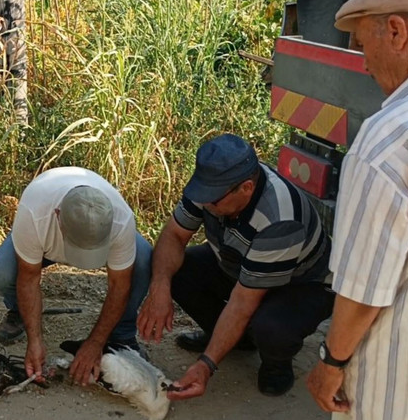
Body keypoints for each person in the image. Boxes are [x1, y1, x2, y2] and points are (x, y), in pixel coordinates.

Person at [137, 133, 334, 399]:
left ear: (247, 188)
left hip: (300, 284)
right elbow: (173, 236)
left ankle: (276, 363)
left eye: (213, 200)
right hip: (242, 263)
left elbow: (242, 303)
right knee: (175, 272)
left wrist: (206, 365)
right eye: (202, 195)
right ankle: (236, 342)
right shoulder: (213, 186)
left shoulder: (279, 218)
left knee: (271, 327)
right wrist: (160, 286)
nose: (206, 203)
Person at [306, 0, 408, 420]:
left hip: (398, 372)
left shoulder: (386, 141)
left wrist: (331, 363)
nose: (362, 62)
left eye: (362, 44)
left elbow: (365, 286)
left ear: (396, 31)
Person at [0, 166, 152, 386]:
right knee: (0, 273)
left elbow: (119, 285)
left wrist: (95, 343)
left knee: (144, 260)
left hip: (92, 235)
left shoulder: (121, 219)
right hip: (43, 242)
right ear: (58, 216)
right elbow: (29, 279)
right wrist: (35, 341)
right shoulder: (35, 211)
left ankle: (122, 335)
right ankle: (20, 312)